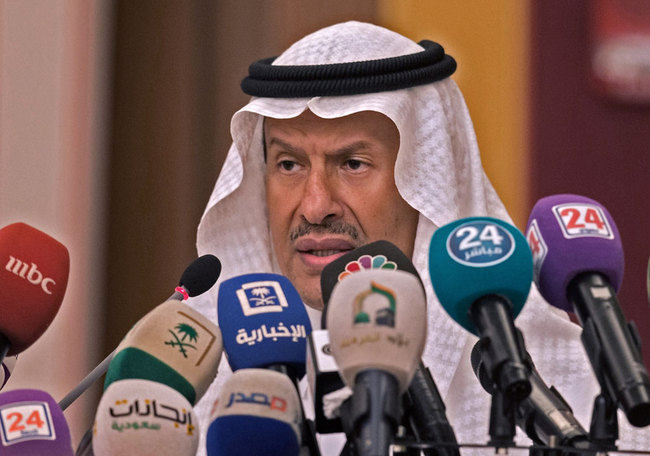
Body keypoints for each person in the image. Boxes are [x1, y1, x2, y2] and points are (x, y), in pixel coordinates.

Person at [189, 21, 650, 455]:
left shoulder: (561, 389)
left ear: (426, 184)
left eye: (352, 164)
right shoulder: (192, 384)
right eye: (288, 164)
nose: (314, 206)